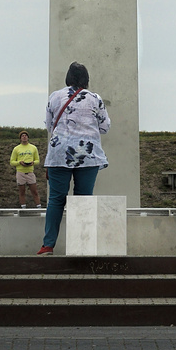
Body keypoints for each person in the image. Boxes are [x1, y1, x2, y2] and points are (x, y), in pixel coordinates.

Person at [38, 61, 110, 255]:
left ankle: (48, 245)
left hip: (59, 155)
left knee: (55, 200)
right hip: (87, 156)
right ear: (86, 79)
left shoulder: (55, 97)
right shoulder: (95, 98)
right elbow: (105, 127)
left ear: (68, 78)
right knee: (83, 200)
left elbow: (49, 125)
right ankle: (81, 246)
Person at [10, 131, 41, 208]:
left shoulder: (33, 148)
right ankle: (23, 207)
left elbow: (38, 160)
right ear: (20, 138)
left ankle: (39, 207)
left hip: (30, 172)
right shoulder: (16, 148)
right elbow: (12, 162)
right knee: (22, 191)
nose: (24, 137)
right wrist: (19, 162)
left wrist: (33, 163)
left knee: (35, 192)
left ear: (28, 137)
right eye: (22, 136)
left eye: (25, 135)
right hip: (20, 172)